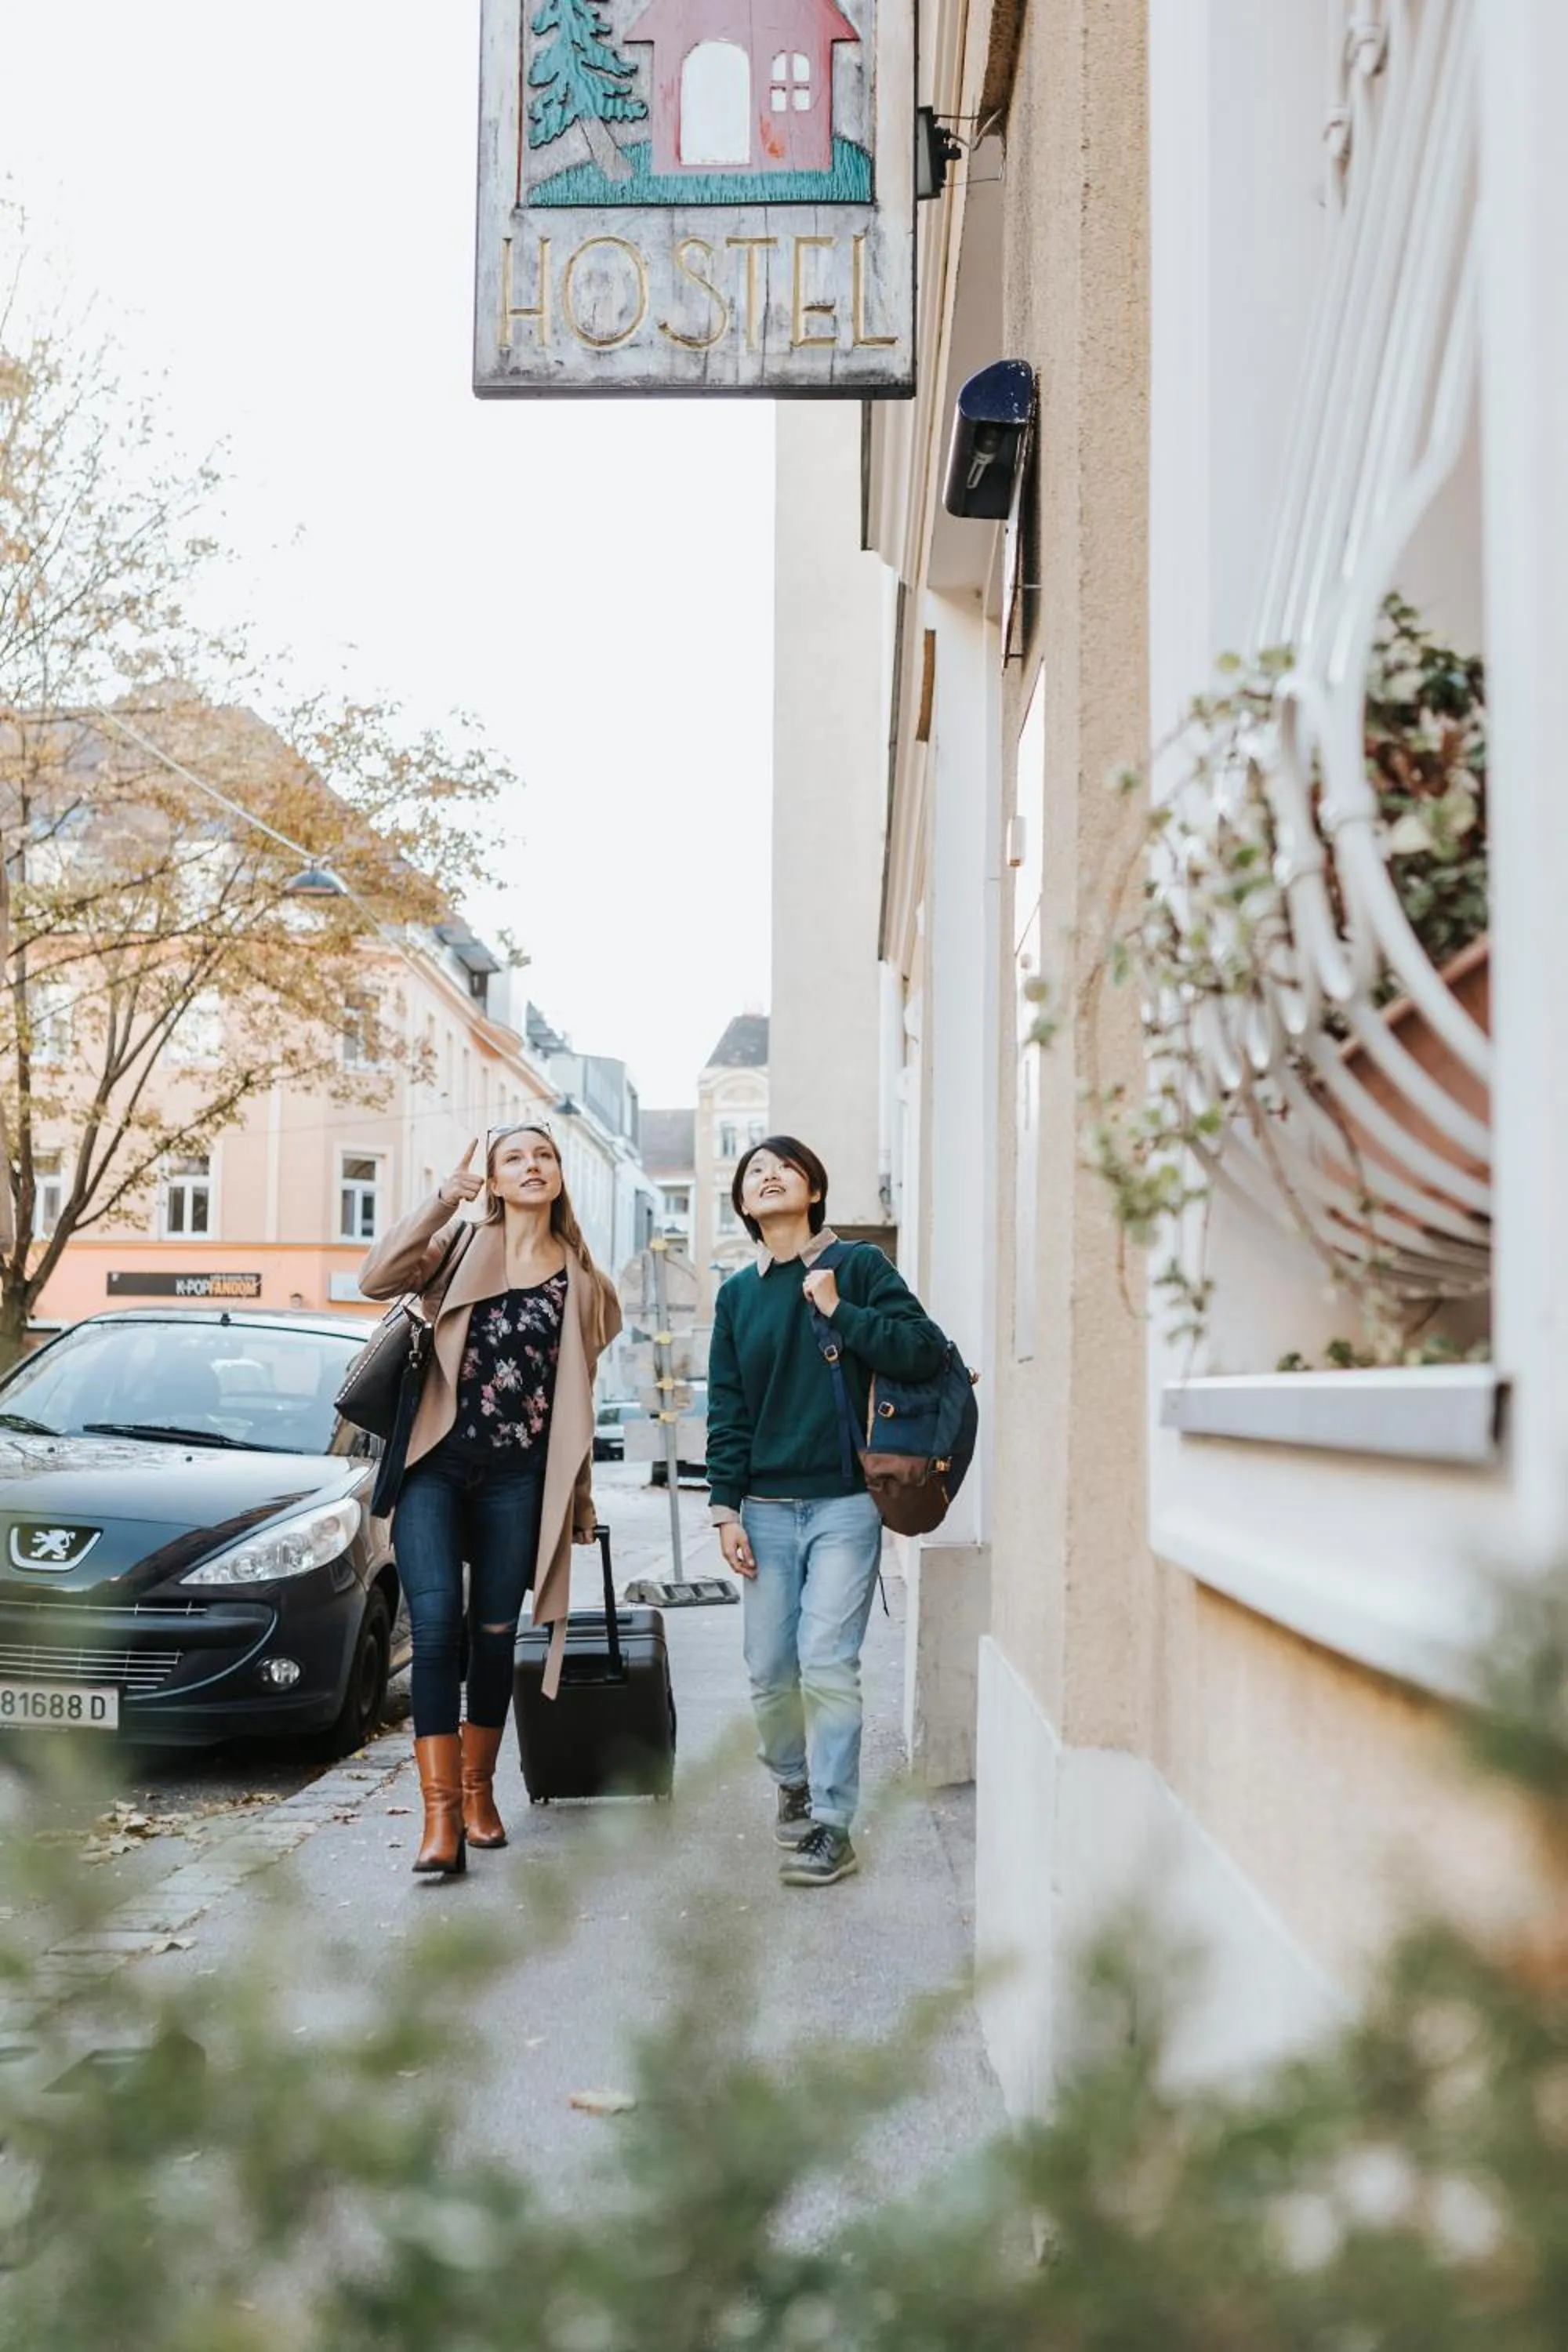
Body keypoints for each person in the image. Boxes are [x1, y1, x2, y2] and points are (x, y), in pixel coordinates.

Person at [359, 1124, 621, 1877]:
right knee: (437, 1630)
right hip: (434, 1469)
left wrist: (578, 1501)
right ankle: (438, 1819)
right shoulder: (460, 1247)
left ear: (559, 1176)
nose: (532, 1166)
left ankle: (479, 1795)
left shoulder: (584, 1284)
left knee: (497, 1634)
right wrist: (447, 1197)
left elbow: (578, 1404)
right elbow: (377, 1277)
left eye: (544, 1156)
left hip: (517, 1479)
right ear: (495, 1180)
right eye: (515, 1158)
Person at [706, 1136, 946, 1888]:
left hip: (846, 1503)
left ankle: (833, 1826)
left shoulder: (859, 1267)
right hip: (767, 1508)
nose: (768, 1175)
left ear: (813, 1188)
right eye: (754, 1172)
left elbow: (922, 1351)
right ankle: (792, 1782)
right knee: (770, 1670)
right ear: (745, 1204)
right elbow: (729, 1407)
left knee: (827, 1662)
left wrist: (842, 1309)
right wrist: (724, 1508)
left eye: (784, 1166)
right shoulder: (737, 1295)